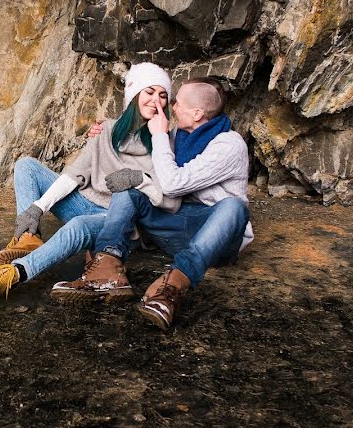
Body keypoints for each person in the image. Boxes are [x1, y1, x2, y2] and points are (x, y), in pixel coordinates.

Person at [0, 63, 181, 307]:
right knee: (26, 166)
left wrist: (141, 179)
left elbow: (169, 199)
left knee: (78, 226)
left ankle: (10, 275)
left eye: (163, 96)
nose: (156, 101)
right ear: (134, 95)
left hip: (120, 221)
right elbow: (74, 175)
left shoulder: (166, 141)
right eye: (149, 93)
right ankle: (28, 238)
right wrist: (37, 208)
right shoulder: (107, 130)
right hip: (85, 202)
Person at [55, 78, 253, 330]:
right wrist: (104, 129)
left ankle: (171, 288)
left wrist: (159, 135)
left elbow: (172, 184)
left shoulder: (228, 145)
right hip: (178, 224)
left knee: (234, 207)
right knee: (129, 188)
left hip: (217, 240)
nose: (170, 106)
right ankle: (106, 269)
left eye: (176, 103)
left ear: (197, 113)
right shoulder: (178, 136)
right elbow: (139, 144)